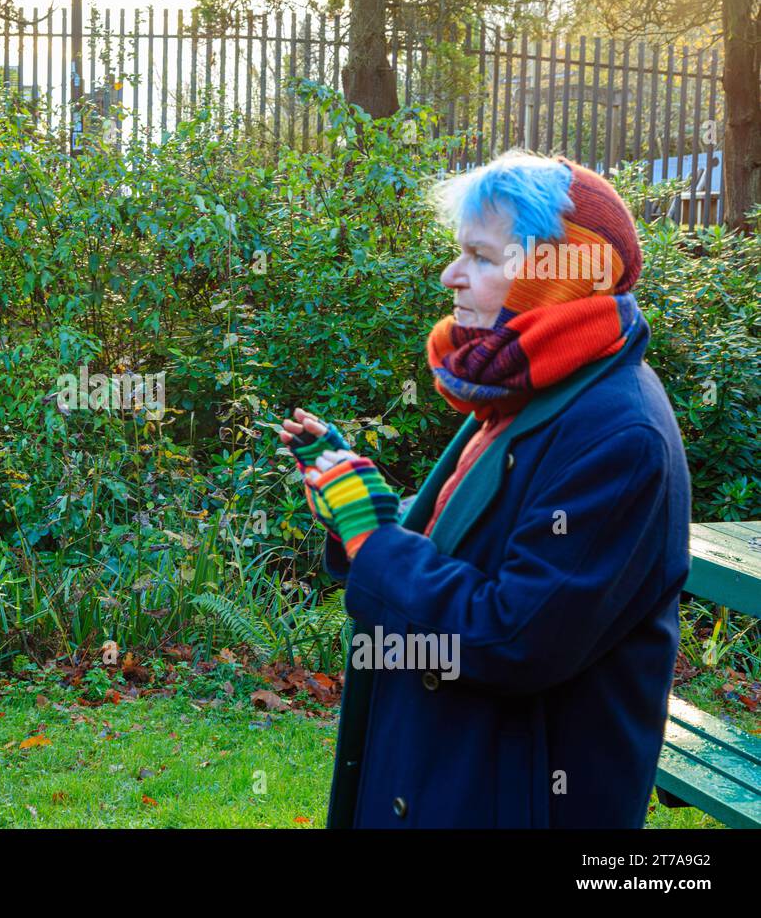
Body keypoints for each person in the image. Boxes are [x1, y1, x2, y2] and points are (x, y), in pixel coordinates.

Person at [280, 151, 691, 828]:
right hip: (458, 773)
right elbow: (472, 544)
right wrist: (358, 510)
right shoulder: (533, 389)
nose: (451, 275)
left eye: (480, 255)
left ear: (558, 274)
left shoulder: (619, 434)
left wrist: (373, 541)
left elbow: (513, 636)